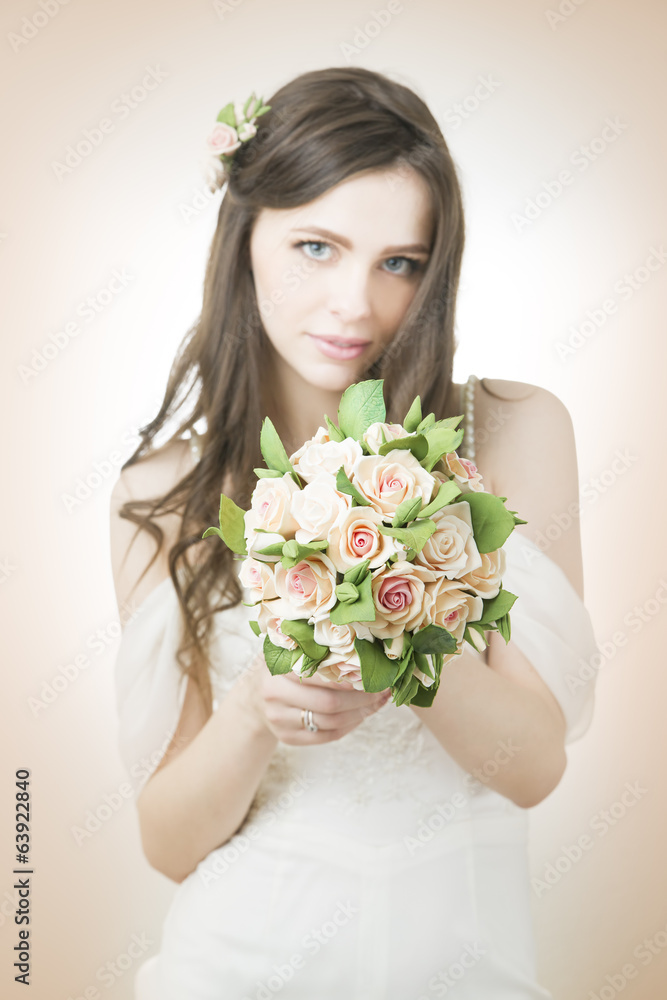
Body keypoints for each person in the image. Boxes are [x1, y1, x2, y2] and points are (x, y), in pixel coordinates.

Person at [109, 65, 599, 999]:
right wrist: (254, 711)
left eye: (398, 262)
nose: (355, 305)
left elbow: (532, 767)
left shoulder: (514, 431)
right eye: (316, 247)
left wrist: (394, 626)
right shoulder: (163, 492)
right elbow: (168, 843)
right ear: (244, 236)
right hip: (235, 965)